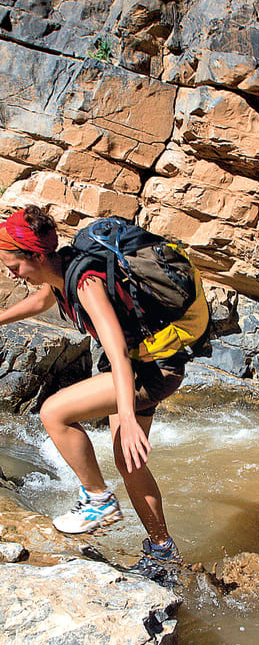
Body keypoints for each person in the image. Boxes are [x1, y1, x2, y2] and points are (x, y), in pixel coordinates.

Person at [0, 206, 209, 568]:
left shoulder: (85, 282)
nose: (11, 273)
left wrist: (126, 414)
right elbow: (40, 301)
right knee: (129, 464)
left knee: (54, 412)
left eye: (15, 266)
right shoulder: (61, 269)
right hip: (151, 363)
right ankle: (163, 551)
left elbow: (115, 351)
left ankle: (97, 499)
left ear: (35, 255)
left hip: (146, 369)